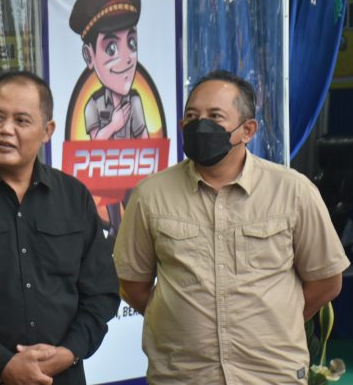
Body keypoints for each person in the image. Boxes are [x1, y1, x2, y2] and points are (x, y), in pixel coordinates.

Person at [113, 70, 350, 384]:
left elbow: (326, 281)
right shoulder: (150, 195)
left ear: (247, 130)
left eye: (215, 116)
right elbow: (133, 284)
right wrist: (179, 321)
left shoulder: (293, 191)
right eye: (192, 116)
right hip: (183, 375)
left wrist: (278, 323)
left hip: (269, 374)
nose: (200, 125)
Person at [0, 71, 120, 385]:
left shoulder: (74, 197)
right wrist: (2, 362)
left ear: (47, 130)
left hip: (63, 376)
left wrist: (69, 351)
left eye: (21, 120)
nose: (5, 129)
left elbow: (101, 293)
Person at [69, 0, 149, 242]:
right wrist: (114, 125)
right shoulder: (92, 105)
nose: (126, 58)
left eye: (132, 43)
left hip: (132, 173)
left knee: (139, 208)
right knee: (112, 198)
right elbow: (95, 143)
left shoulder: (135, 100)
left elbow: (145, 142)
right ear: (89, 56)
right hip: (107, 175)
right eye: (112, 47)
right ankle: (114, 230)